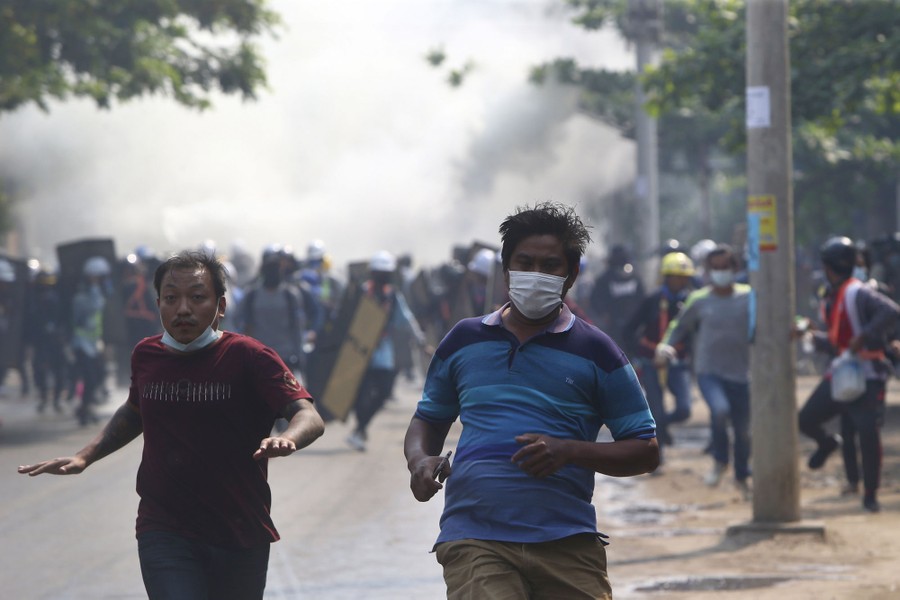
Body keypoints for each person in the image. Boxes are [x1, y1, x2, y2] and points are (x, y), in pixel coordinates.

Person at [18, 250, 325, 599]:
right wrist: (85, 456)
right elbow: (135, 411)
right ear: (158, 303)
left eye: (197, 298)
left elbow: (308, 415)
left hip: (239, 529)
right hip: (164, 527)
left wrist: (288, 438)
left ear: (220, 306)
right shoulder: (146, 356)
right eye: (171, 298)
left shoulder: (250, 357)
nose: (182, 309)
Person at [404, 202, 659, 600]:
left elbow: (645, 450)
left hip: (567, 540)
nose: (535, 274)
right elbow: (429, 419)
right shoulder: (463, 340)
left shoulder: (598, 352)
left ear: (571, 276)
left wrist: (570, 451)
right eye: (525, 262)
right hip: (475, 536)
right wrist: (420, 460)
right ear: (506, 269)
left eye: (550, 265)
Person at [796, 236, 900, 513]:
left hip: (868, 374)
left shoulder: (858, 292)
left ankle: (870, 494)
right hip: (841, 372)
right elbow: (834, 342)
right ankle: (828, 443)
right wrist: (808, 335)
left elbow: (890, 311)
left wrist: (863, 336)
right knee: (806, 419)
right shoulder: (832, 297)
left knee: (867, 433)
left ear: (828, 267)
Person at [656, 244, 752, 496]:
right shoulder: (699, 300)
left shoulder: (749, 297)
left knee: (743, 431)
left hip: (742, 373)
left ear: (735, 269)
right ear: (708, 272)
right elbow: (678, 326)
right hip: (709, 372)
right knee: (720, 411)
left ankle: (742, 475)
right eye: (716, 268)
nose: (721, 272)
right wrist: (665, 346)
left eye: (725, 267)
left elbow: (777, 319)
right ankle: (721, 459)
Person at [346, 250, 427, 451]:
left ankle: (360, 428)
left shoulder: (392, 295)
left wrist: (420, 340)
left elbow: (406, 318)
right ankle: (360, 429)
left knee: (383, 392)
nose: (383, 277)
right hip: (358, 352)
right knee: (360, 394)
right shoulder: (361, 292)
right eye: (379, 273)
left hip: (383, 352)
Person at [624, 251, 696, 453]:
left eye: (685, 277)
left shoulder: (691, 302)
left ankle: (663, 426)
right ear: (667, 277)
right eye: (677, 277)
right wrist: (638, 355)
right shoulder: (652, 299)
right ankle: (658, 454)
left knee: (684, 409)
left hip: (678, 362)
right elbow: (629, 329)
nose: (682, 281)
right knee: (655, 409)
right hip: (650, 361)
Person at [589, 243, 645, 354]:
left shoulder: (634, 277)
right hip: (613, 324)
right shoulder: (604, 279)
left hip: (634, 323)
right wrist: (603, 313)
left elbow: (642, 297)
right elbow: (595, 299)